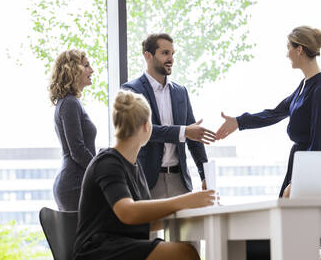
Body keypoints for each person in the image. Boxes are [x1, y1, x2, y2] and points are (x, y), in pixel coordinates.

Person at [216, 26, 321, 257]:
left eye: (288, 48)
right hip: (300, 160)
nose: (286, 54)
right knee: (287, 229)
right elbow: (274, 113)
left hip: (313, 164)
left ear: (299, 49)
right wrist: (238, 122)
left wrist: (300, 179)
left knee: (297, 231)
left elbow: (318, 141)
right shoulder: (304, 85)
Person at [73, 90, 215, 260]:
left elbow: (143, 221)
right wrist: (187, 200)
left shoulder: (133, 165)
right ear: (147, 126)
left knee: (185, 251)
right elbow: (128, 212)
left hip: (119, 244)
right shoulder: (108, 163)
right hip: (98, 250)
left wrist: (189, 211)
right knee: (185, 253)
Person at [122, 33, 216, 201]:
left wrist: (204, 175)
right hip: (147, 181)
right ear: (148, 56)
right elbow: (142, 130)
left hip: (180, 181)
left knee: (186, 228)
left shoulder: (180, 92)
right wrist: (183, 131)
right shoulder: (131, 90)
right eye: (165, 53)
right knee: (148, 228)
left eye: (173, 54)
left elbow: (193, 137)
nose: (171, 59)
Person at [49, 49, 96, 211]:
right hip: (74, 185)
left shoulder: (69, 103)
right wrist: (100, 171)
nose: (92, 70)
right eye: (86, 66)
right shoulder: (69, 103)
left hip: (76, 181)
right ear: (72, 69)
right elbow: (77, 150)